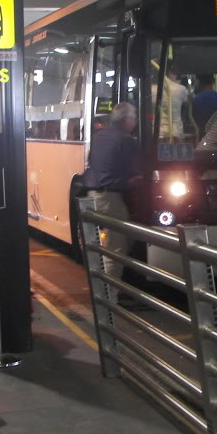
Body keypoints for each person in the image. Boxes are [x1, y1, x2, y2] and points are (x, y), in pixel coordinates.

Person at [82, 103, 141, 300]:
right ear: (127, 120)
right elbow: (136, 173)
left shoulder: (99, 137)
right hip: (111, 199)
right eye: (134, 118)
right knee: (114, 251)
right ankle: (108, 298)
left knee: (115, 242)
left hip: (93, 197)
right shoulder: (127, 140)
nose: (135, 123)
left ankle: (110, 286)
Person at [157, 65, 188, 142]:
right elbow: (187, 103)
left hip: (155, 132)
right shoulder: (181, 89)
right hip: (176, 132)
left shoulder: (149, 89)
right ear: (171, 73)